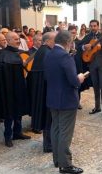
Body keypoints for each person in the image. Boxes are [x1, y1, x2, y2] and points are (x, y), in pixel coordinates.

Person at [44, 30, 84, 174]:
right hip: (66, 99)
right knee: (65, 133)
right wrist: (80, 78)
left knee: (56, 130)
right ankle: (66, 165)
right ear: (68, 42)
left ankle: (57, 160)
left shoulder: (49, 54)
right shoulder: (65, 57)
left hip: (53, 98)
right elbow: (73, 81)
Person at [0, 31, 31, 148]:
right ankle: (8, 136)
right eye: (15, 39)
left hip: (19, 87)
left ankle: (17, 132)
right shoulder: (2, 55)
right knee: (9, 113)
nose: (18, 40)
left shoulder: (18, 53)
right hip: (8, 90)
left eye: (18, 38)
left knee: (18, 111)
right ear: (8, 41)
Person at [27, 31, 56, 152]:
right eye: (55, 40)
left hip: (42, 88)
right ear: (48, 40)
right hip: (47, 89)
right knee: (49, 117)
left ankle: (48, 143)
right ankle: (48, 145)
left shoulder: (41, 51)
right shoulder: (48, 52)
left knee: (47, 116)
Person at [81, 20, 102, 117]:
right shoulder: (88, 36)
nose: (93, 28)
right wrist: (84, 47)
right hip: (92, 64)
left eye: (95, 26)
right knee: (95, 86)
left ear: (98, 26)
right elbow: (79, 45)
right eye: (91, 26)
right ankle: (97, 106)